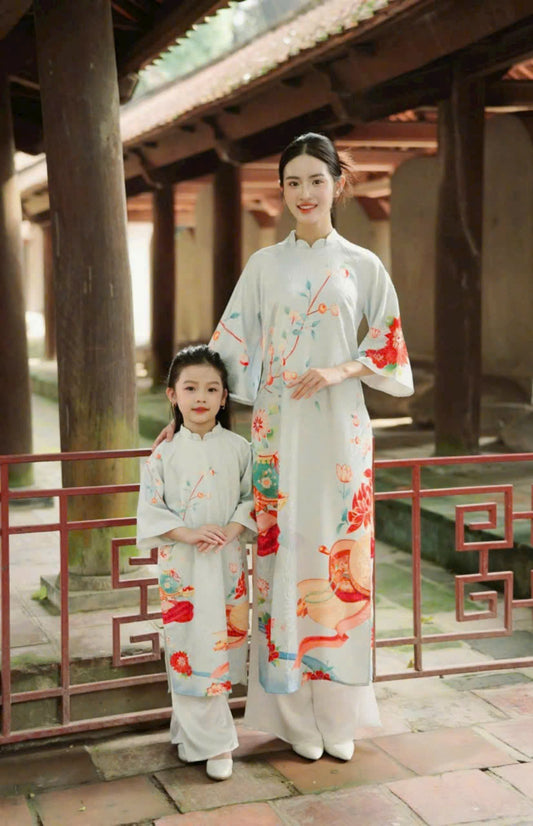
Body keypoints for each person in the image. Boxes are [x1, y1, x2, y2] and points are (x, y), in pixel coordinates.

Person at [155, 132, 414, 762]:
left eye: (315, 181)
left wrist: (339, 369)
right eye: (292, 182)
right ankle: (294, 717)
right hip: (276, 433)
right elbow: (227, 348)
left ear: (337, 184)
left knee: (338, 561)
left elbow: (388, 344)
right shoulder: (263, 267)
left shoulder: (362, 264)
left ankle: (340, 715)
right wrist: (186, 407)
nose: (304, 193)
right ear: (282, 190)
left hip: (342, 435)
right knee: (284, 561)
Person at [136, 345, 255, 781]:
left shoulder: (240, 448)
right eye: (190, 388)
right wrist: (186, 532)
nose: (200, 397)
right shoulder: (162, 456)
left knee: (221, 644)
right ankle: (216, 743)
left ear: (225, 398)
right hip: (182, 567)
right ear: (172, 394)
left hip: (226, 563)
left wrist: (235, 528)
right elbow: (150, 509)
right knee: (188, 646)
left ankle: (193, 736)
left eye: (211, 388)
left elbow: (251, 499)